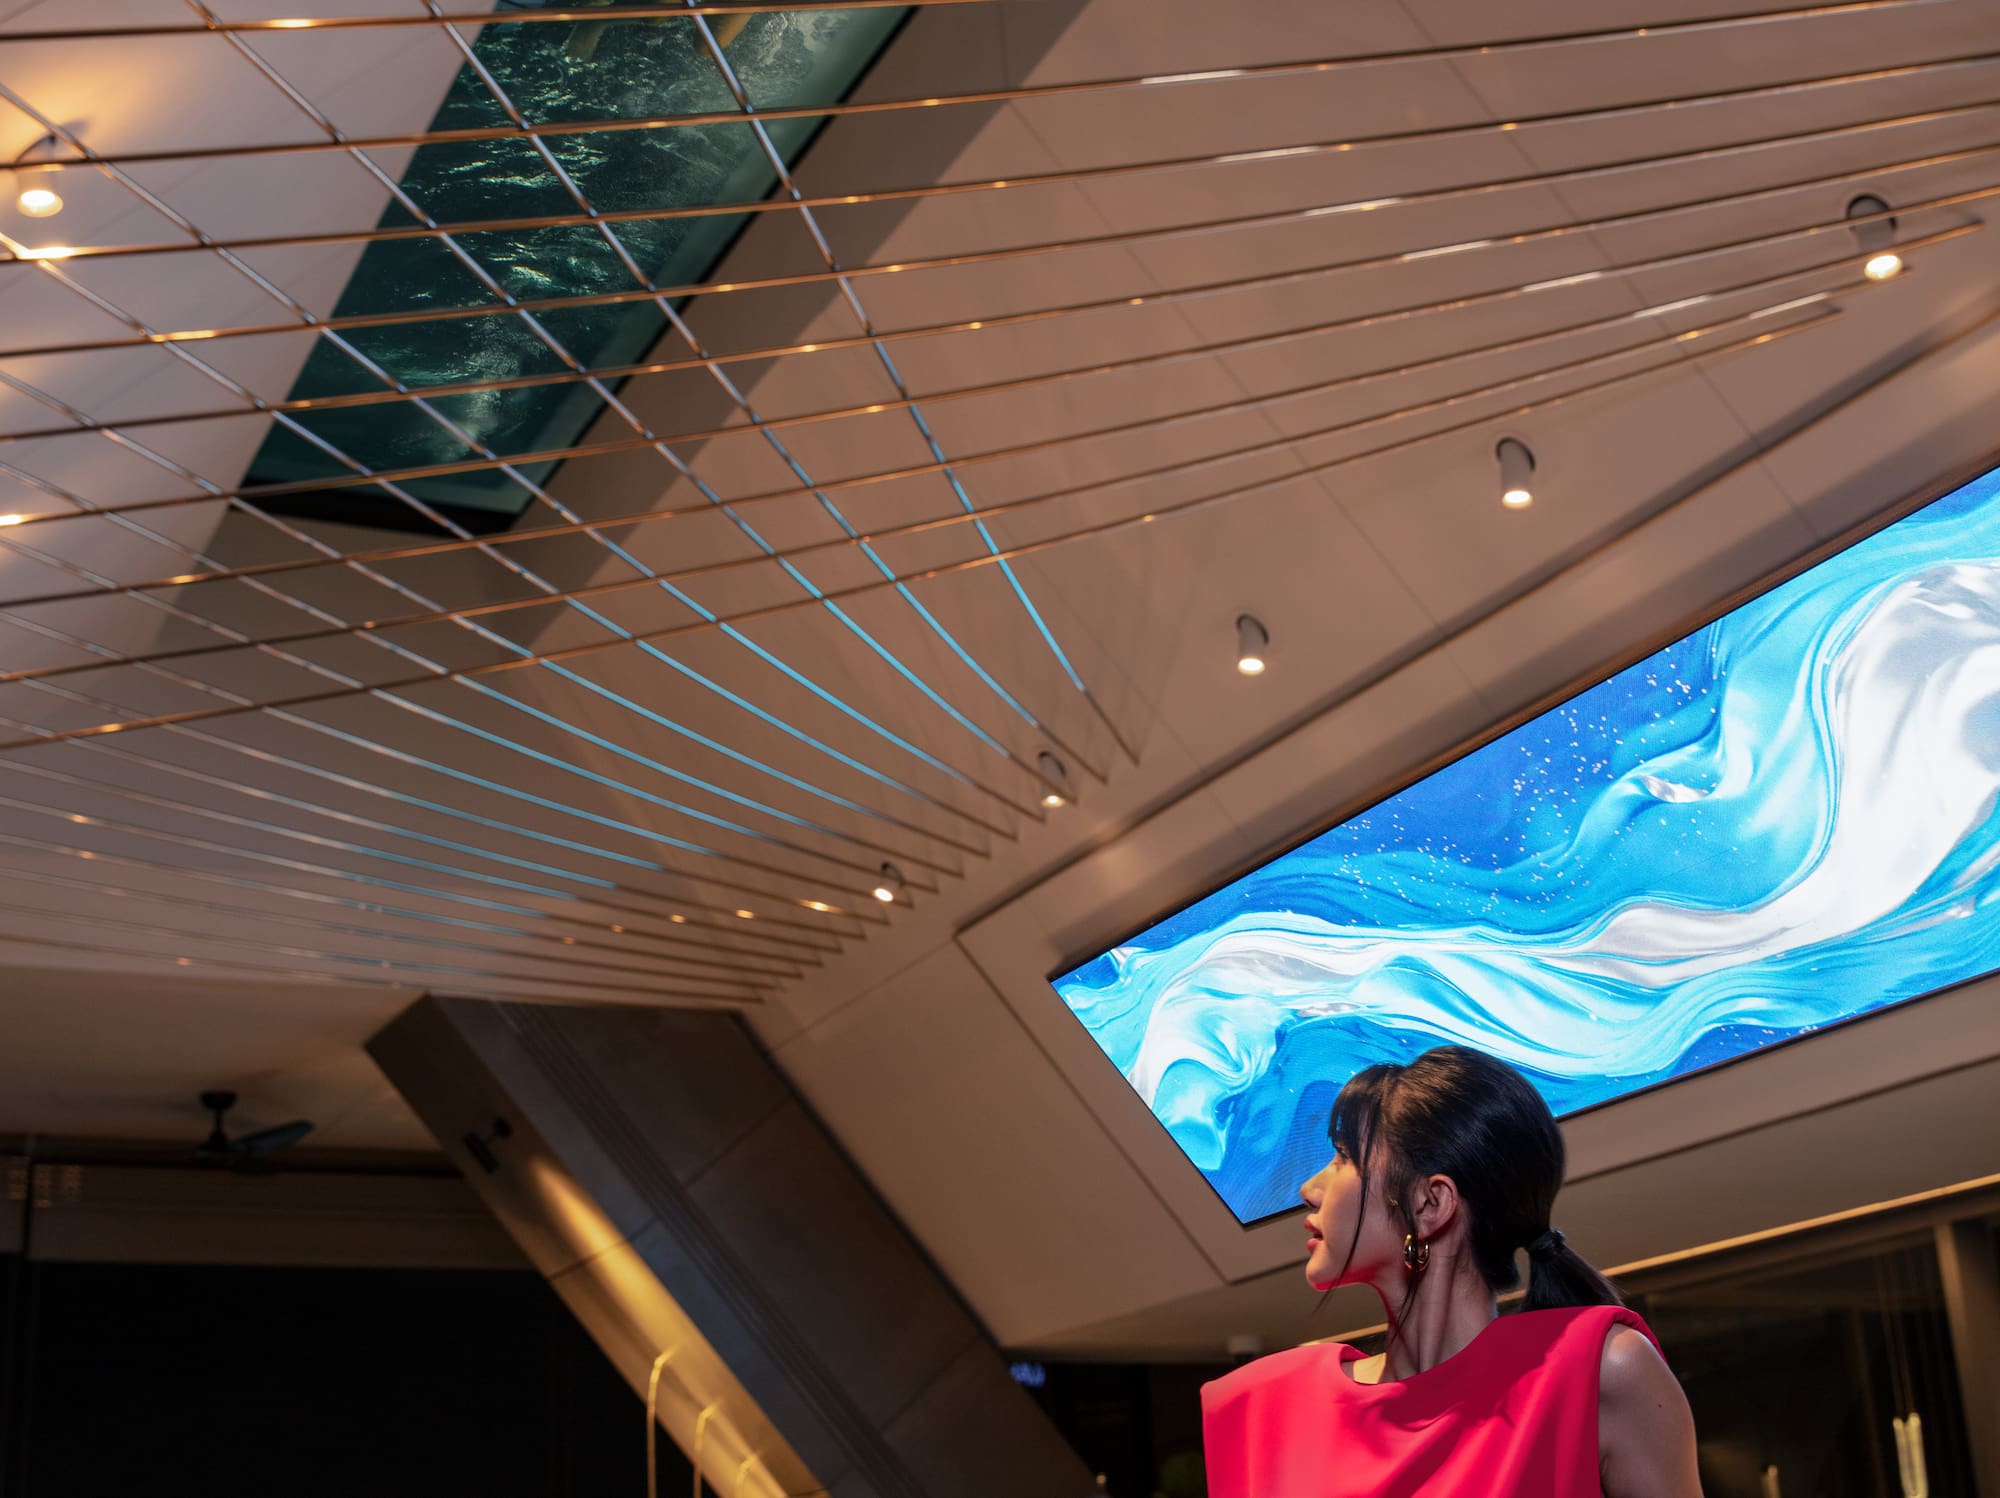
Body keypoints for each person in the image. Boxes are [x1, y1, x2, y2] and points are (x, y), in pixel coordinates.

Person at [1201, 1046, 1702, 1497]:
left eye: (1344, 1157)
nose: (1309, 1188)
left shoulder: (1598, 1371)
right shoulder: (1264, 1407)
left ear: (1431, 1202)